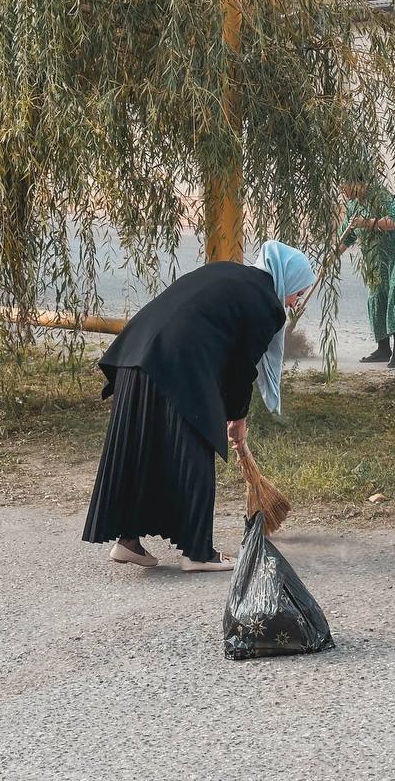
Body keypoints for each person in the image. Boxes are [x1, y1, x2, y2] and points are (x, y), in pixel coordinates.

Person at [82, 242, 315, 573]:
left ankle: (128, 541)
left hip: (138, 356)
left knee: (145, 446)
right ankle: (198, 553)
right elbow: (241, 369)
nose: (295, 302)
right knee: (195, 451)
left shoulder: (229, 272)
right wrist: (237, 418)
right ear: (287, 278)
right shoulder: (266, 303)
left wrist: (232, 411)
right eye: (298, 292)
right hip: (175, 362)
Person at [339, 179, 395, 369]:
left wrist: (366, 222)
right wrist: (332, 256)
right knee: (377, 296)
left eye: (346, 186)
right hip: (376, 257)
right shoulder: (352, 205)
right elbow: (348, 236)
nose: (344, 191)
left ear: (359, 183)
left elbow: (394, 221)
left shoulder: (381, 196)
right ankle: (383, 349)